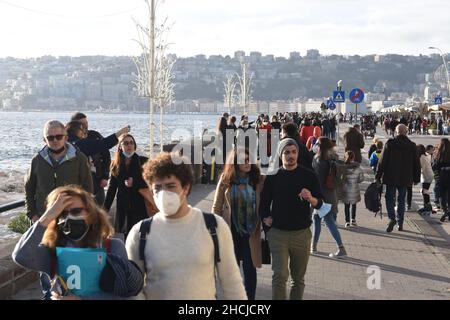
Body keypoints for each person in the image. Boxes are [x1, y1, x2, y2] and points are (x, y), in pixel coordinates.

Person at [125, 152, 247, 299]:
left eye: (171, 186)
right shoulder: (140, 233)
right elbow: (132, 289)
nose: (163, 193)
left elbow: (232, 283)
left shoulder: (214, 227)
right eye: (157, 188)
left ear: (186, 188)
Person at [12, 185, 144, 300]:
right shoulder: (52, 251)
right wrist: (48, 216)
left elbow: (123, 294)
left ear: (91, 213)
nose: (69, 217)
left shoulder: (112, 247)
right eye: (62, 213)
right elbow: (21, 256)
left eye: (76, 211)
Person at [260, 138, 324, 300]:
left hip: (301, 234)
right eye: (287, 152)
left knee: (298, 279)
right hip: (278, 234)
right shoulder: (273, 177)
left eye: (294, 152)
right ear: (280, 155)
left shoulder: (309, 176)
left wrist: (310, 198)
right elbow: (264, 204)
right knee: (280, 275)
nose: (291, 156)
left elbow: (320, 204)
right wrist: (266, 219)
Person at [212, 148, 263, 300]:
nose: (247, 163)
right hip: (231, 232)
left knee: (250, 270)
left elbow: (267, 202)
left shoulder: (258, 179)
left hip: (251, 232)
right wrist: (215, 230)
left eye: (249, 159)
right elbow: (216, 206)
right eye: (243, 161)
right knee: (231, 272)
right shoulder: (226, 180)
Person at [25, 120, 93, 223]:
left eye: (59, 136)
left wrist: (83, 214)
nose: (55, 140)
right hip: (43, 217)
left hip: (71, 218)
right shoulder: (37, 160)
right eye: (50, 138)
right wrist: (32, 214)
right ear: (44, 140)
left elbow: (88, 188)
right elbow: (29, 188)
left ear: (66, 137)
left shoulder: (79, 158)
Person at [104, 134, 153, 239]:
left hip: (139, 205)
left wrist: (134, 183)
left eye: (131, 143)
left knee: (141, 236)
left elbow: (151, 182)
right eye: (126, 143)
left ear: (134, 146)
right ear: (120, 147)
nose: (129, 145)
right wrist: (104, 210)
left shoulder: (143, 161)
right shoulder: (115, 165)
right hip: (123, 207)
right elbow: (112, 190)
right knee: (126, 238)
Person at [376, 124, 420, 232]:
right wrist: (416, 178)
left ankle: (392, 218)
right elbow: (416, 163)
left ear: (396, 132)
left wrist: (378, 175)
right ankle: (400, 223)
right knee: (401, 200)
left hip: (391, 176)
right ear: (406, 132)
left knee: (389, 198)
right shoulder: (412, 146)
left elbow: (382, 161)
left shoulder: (390, 144)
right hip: (405, 178)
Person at [311, 137, 347, 257]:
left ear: (320, 147)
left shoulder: (319, 162)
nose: (315, 146)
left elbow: (317, 181)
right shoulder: (332, 159)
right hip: (331, 195)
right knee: (316, 219)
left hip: (321, 197)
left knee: (329, 221)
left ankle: (341, 248)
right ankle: (313, 245)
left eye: (317, 144)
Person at [71, 112, 111, 206]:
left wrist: (105, 177)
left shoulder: (95, 136)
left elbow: (106, 156)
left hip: (97, 179)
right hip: (78, 182)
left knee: (99, 207)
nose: (85, 126)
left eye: (86, 123)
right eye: (82, 124)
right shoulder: (69, 140)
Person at [341, 151, 365, 227]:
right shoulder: (358, 167)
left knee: (346, 206)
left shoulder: (343, 167)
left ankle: (347, 221)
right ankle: (353, 220)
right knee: (354, 205)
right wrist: (356, 180)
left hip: (345, 190)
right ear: (353, 157)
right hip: (354, 189)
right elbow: (361, 179)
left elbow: (341, 179)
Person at [432, 139, 450, 222]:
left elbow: (434, 166)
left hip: (442, 177)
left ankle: (445, 210)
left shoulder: (438, 154)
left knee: (442, 195)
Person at [417, 144, 433, 215]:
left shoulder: (422, 157)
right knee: (425, 191)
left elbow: (422, 168)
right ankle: (426, 207)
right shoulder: (426, 155)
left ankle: (427, 208)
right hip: (429, 175)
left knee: (425, 191)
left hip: (426, 176)